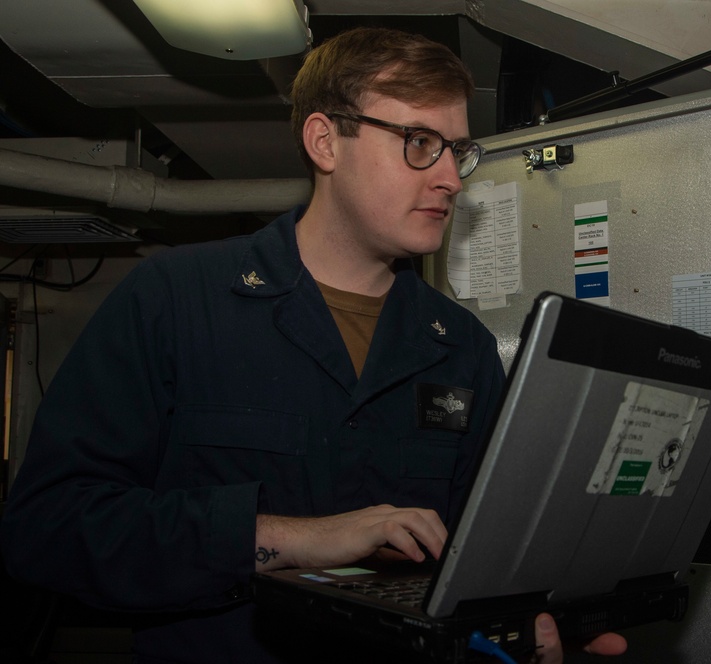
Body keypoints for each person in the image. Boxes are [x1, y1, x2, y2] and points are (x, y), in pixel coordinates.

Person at [0, 26, 627, 663]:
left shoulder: (459, 344)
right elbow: (48, 531)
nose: (452, 180)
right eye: (419, 143)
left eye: (457, 151)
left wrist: (533, 620)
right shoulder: (175, 299)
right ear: (326, 141)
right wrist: (287, 539)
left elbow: (480, 552)